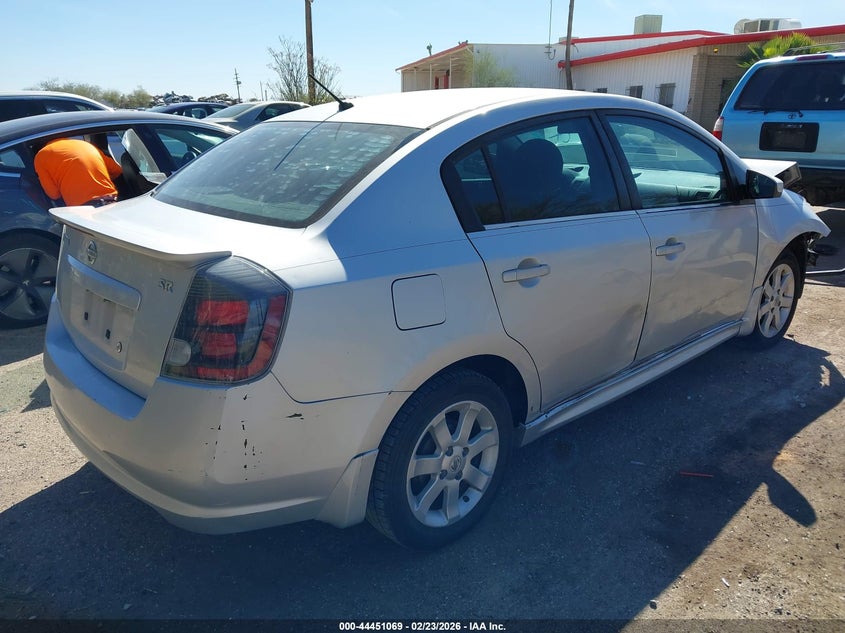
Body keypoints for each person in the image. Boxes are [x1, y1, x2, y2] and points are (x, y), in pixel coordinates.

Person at [34, 138, 122, 207]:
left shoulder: (41, 156)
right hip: (111, 201)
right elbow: (117, 170)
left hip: (83, 209)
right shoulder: (85, 145)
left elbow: (54, 195)